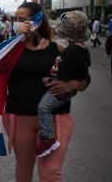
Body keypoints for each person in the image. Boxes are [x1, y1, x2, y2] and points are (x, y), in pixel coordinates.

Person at [4, 2, 89, 182]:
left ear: (38, 20)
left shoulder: (58, 48)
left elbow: (84, 79)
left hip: (54, 119)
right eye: (15, 18)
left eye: (23, 18)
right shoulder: (9, 48)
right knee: (23, 162)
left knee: (51, 171)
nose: (18, 23)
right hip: (18, 115)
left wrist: (72, 85)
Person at [36, 11, 91, 158]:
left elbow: (66, 76)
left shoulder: (72, 51)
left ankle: (47, 138)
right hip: (63, 89)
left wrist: (50, 80)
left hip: (59, 92)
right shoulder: (79, 48)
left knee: (43, 107)